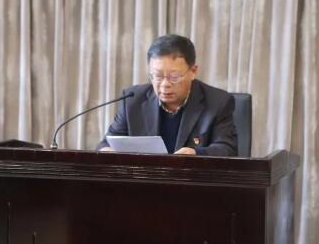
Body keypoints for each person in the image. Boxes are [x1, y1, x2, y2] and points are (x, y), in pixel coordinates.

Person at [97, 34, 238, 156]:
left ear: (193, 71)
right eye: (157, 76)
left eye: (174, 77)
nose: (165, 84)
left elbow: (227, 148)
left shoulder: (218, 102)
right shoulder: (133, 100)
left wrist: (196, 154)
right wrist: (108, 152)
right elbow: (107, 143)